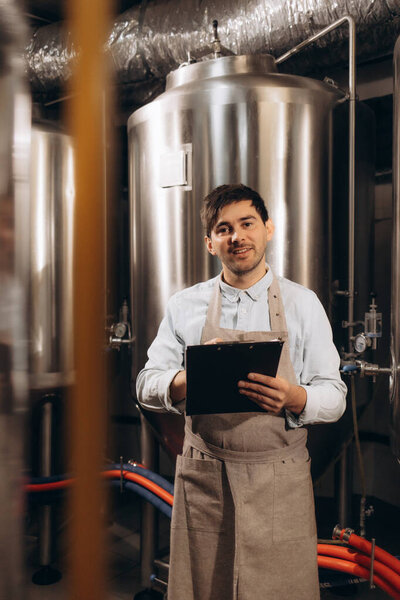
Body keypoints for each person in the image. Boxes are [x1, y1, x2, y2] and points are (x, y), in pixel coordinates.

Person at [136, 184, 347, 600]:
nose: (237, 237)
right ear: (210, 243)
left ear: (267, 228)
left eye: (247, 223)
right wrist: (188, 378)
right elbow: (146, 383)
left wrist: (294, 398)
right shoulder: (185, 305)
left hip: (279, 479)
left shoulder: (304, 304)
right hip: (205, 477)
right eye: (224, 228)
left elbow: (334, 394)